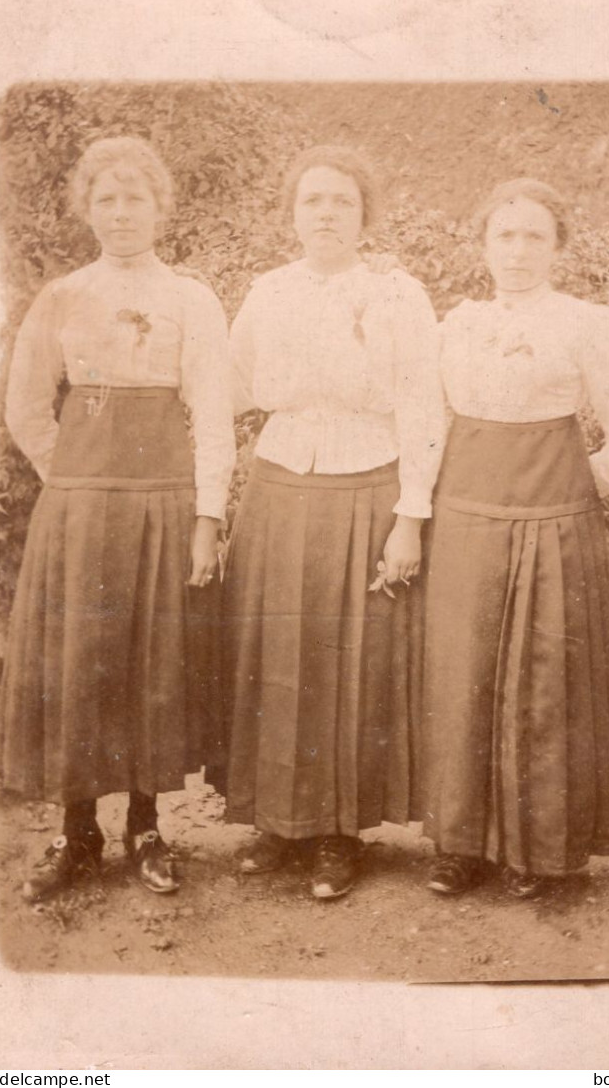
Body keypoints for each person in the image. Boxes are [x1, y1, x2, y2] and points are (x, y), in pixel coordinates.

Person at [0, 136, 236, 902]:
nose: (122, 212)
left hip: (162, 505)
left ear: (161, 208)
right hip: (80, 507)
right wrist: (71, 480)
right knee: (79, 661)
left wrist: (205, 515)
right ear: (87, 210)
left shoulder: (191, 299)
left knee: (151, 662)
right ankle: (77, 831)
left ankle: (145, 826)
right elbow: (27, 407)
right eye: (107, 198)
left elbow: (214, 414)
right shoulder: (61, 296)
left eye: (136, 197)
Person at [422, 178, 609, 898]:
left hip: (555, 526)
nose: (518, 251)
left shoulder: (588, 323)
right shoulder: (455, 325)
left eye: (534, 236)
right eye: (505, 235)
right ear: (482, 246)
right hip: (465, 519)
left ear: (558, 246)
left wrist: (565, 486)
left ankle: (539, 850)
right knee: (462, 677)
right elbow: (429, 428)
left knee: (543, 685)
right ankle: (460, 844)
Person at [221, 145, 444, 899]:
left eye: (341, 202)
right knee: (280, 647)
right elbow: (232, 387)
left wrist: (410, 515)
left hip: (367, 480)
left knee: (353, 659)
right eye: (312, 200)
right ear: (292, 213)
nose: (325, 214)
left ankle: (341, 832)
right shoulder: (269, 290)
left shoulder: (396, 294)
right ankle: (279, 821)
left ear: (364, 215)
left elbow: (421, 404)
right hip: (281, 480)